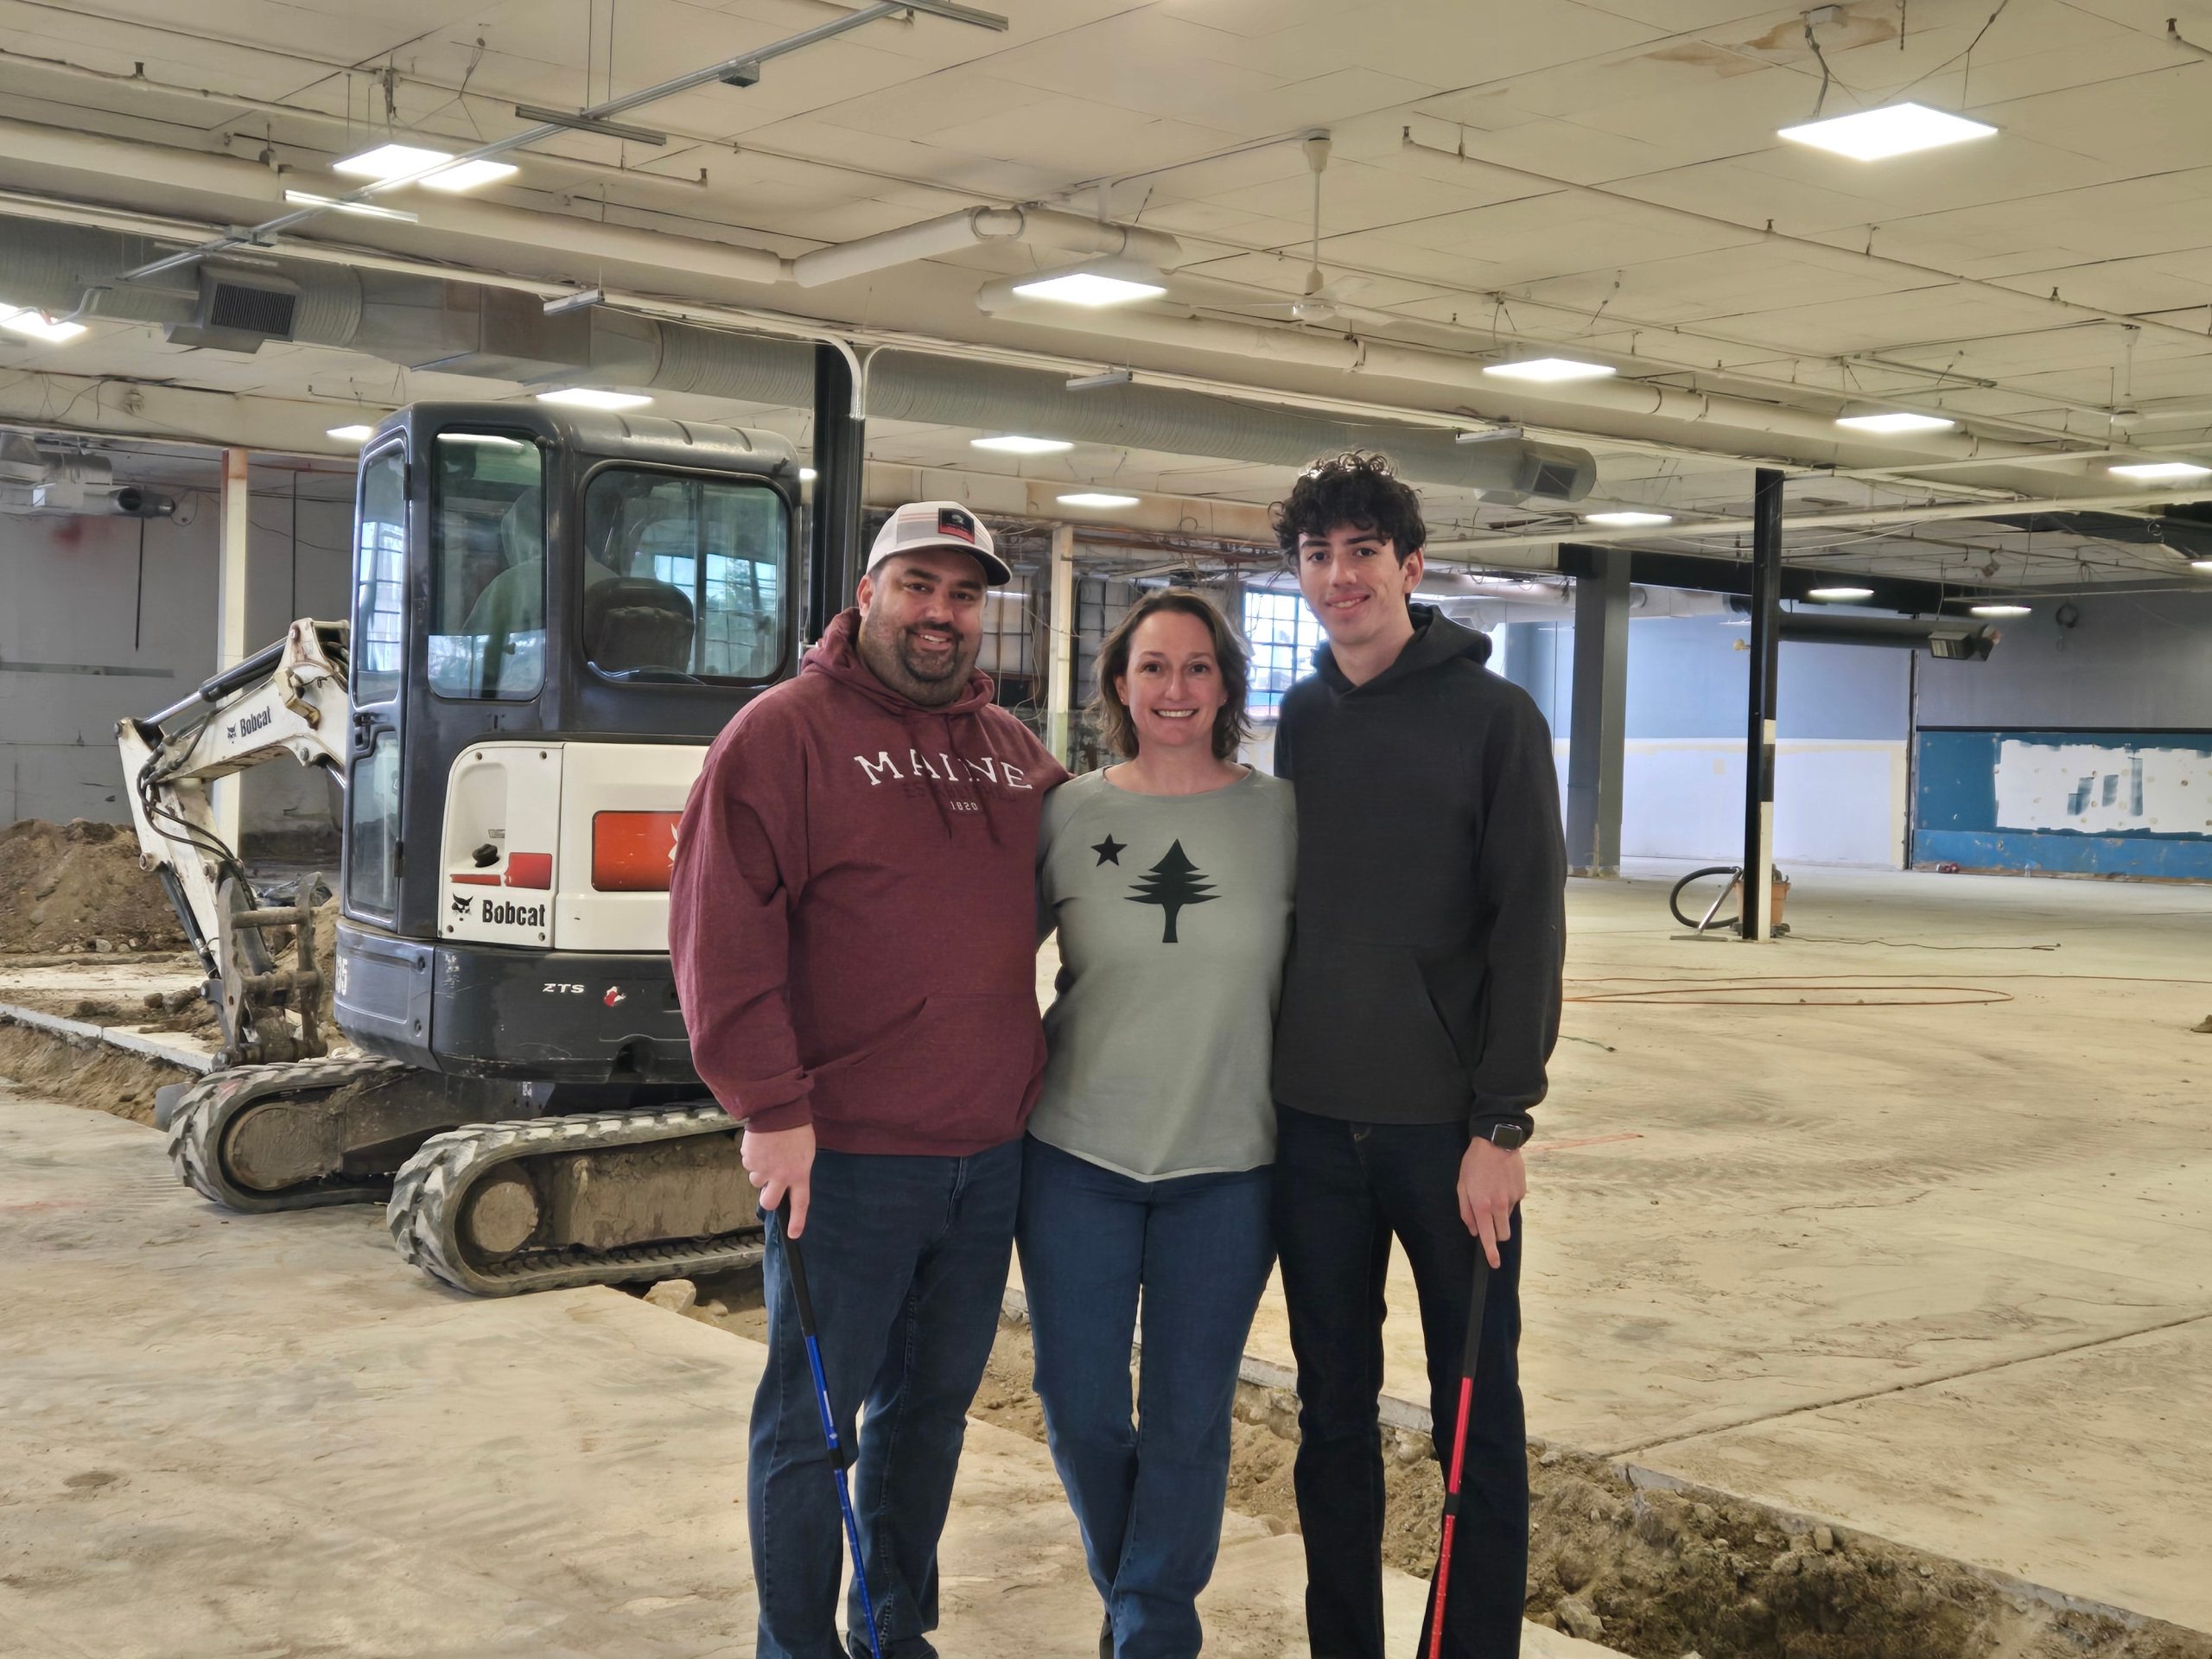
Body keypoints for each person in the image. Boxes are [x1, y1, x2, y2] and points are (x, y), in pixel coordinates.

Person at [670, 500, 1068, 1659]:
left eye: (962, 595)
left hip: (987, 1155)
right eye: (918, 587)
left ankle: (896, 1629)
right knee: (814, 1422)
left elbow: (1088, 876)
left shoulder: (1011, 756)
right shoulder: (781, 735)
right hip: (843, 1157)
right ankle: (795, 1644)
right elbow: (717, 932)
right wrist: (769, 1106)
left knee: (927, 1419)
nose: (940, 616)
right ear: (868, 592)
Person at [1268, 453, 1566, 1659]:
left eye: (1361, 553)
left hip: (1448, 1138)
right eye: (1317, 556)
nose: (1340, 578)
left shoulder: (1495, 719)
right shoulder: (1303, 716)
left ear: (1411, 566)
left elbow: (1530, 923)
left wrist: (1503, 1124)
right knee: (1329, 1417)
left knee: (1473, 1420)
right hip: (1311, 1133)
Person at [1020, 589, 1295, 1659]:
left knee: (1187, 1415)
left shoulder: (1279, 818)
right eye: (1150, 668)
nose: (1172, 689)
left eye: (1194, 668)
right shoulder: (1067, 813)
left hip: (1229, 1166)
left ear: (1225, 684)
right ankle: (1137, 1596)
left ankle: (1149, 1629)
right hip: (1077, 1153)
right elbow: (976, 951)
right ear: (1117, 686)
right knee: (1079, 1399)